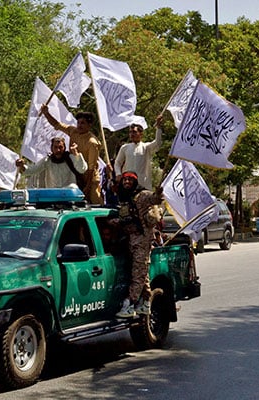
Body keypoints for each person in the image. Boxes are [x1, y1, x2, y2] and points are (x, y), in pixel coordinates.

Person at [111, 171, 164, 318]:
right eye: (125, 180)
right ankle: (146, 301)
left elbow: (155, 199)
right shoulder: (122, 197)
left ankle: (130, 304)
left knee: (137, 274)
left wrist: (159, 193)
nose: (126, 182)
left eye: (130, 180)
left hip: (142, 240)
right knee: (141, 272)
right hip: (130, 239)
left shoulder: (142, 195)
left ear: (135, 181)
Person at [40, 103, 102, 204]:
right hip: (75, 176)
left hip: (89, 178)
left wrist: (87, 186)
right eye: (78, 122)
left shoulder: (92, 142)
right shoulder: (73, 131)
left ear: (89, 125)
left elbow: (92, 167)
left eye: (83, 123)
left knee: (95, 203)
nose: (79, 125)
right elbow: (57, 125)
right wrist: (46, 113)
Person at [114, 114, 163, 192]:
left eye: (134, 132)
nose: (131, 134)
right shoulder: (125, 147)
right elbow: (117, 163)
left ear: (141, 134)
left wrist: (159, 128)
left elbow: (158, 143)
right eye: (130, 132)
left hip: (143, 184)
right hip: (128, 184)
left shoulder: (146, 147)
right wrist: (118, 174)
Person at [15, 137, 88, 188]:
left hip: (69, 195)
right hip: (53, 196)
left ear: (64, 148)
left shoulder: (71, 158)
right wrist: (22, 166)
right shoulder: (47, 160)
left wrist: (76, 153)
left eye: (60, 147)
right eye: (55, 147)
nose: (58, 150)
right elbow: (32, 170)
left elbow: (82, 169)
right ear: (51, 148)